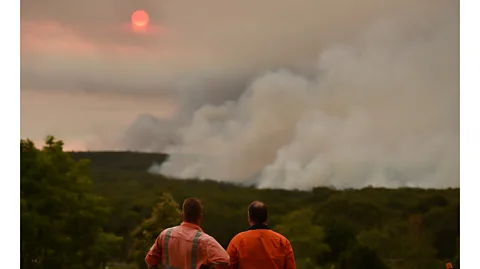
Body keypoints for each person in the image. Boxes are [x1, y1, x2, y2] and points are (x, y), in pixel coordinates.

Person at [145, 198, 230, 269]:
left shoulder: (165, 234)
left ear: (182, 215)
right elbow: (224, 260)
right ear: (200, 217)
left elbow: (150, 260)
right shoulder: (205, 241)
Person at [227, 201, 296, 269]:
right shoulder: (282, 242)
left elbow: (227, 266)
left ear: (249, 218)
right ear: (267, 218)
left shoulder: (237, 241)